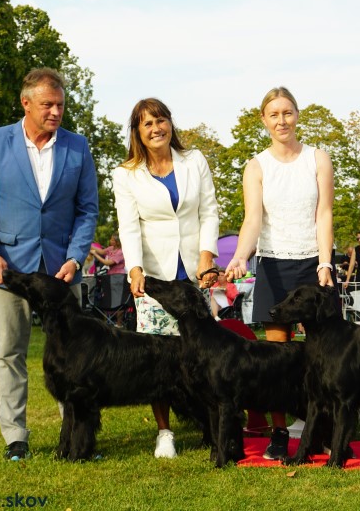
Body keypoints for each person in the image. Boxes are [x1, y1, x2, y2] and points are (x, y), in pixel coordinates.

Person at [0, 67, 99, 461]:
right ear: (26, 103)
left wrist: (75, 256)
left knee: (74, 356)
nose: (56, 112)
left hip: (62, 271)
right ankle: (15, 437)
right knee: (11, 353)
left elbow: (87, 210)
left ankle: (72, 435)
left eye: (60, 105)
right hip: (10, 271)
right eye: (47, 105)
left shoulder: (78, 147)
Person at [226, 86, 335, 461]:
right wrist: (241, 255)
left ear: (297, 115)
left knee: (320, 356)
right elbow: (253, 220)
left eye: (287, 113)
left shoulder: (318, 159)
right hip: (272, 264)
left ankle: (321, 427)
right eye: (274, 114)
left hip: (311, 265)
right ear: (264, 120)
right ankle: (278, 432)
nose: (281, 120)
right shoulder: (256, 166)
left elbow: (324, 214)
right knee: (275, 357)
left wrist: (324, 262)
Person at [112, 97, 219, 458]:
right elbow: (128, 227)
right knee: (157, 360)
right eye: (147, 124)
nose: (156, 128)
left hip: (193, 274)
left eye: (161, 120)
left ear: (170, 123)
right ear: (137, 133)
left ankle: (210, 423)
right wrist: (134, 268)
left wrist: (207, 254)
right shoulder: (125, 174)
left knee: (202, 354)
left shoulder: (195, 161)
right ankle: (164, 432)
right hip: (154, 279)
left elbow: (209, 211)